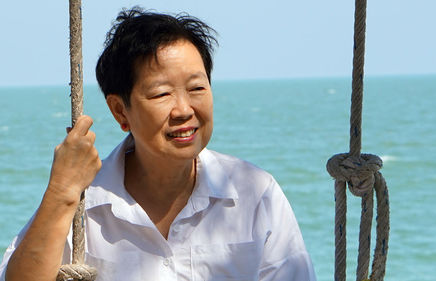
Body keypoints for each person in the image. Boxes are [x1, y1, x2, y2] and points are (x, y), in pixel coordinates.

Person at [0, 7, 316, 281]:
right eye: (161, 94)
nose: (183, 110)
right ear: (120, 111)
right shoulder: (83, 203)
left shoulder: (254, 193)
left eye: (197, 88)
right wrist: (61, 193)